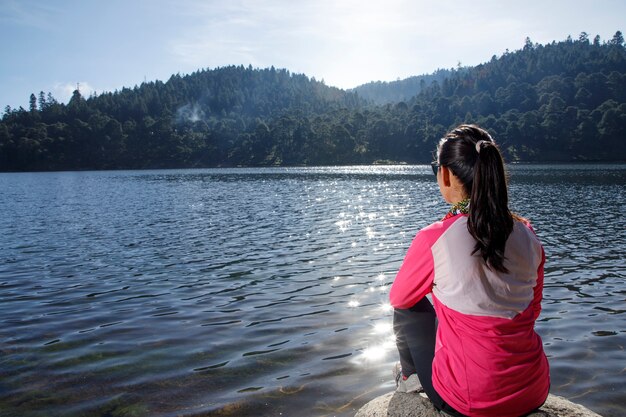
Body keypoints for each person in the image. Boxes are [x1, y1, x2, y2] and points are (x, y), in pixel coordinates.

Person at [389, 124, 549, 417]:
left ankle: (410, 379)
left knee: (407, 307)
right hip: (533, 392)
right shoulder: (528, 234)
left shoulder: (435, 238)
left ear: (446, 173)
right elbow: (533, 310)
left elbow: (400, 298)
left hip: (470, 403)